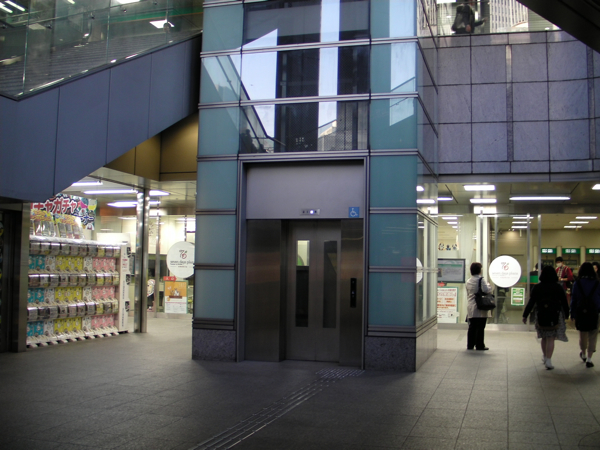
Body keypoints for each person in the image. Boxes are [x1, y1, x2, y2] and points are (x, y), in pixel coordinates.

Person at [522, 266, 569, 370]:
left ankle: (544, 356)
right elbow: (564, 302)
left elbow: (531, 302)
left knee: (544, 337)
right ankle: (548, 360)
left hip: (541, 314)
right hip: (555, 315)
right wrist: (567, 314)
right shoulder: (558, 287)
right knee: (551, 338)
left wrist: (525, 315)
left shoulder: (537, 287)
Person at [570, 262, 600, 368]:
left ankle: (583, 354)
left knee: (583, 334)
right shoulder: (597, 283)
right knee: (593, 334)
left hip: (581, 311)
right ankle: (590, 359)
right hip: (594, 311)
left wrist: (572, 313)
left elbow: (574, 299)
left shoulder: (577, 283)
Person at [466, 262, 492, 350]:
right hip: (480, 306)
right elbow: (486, 290)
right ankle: (479, 345)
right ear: (479, 270)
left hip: (471, 305)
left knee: (472, 326)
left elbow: (468, 292)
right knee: (480, 326)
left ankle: (470, 345)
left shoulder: (468, 281)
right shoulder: (481, 280)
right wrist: (489, 285)